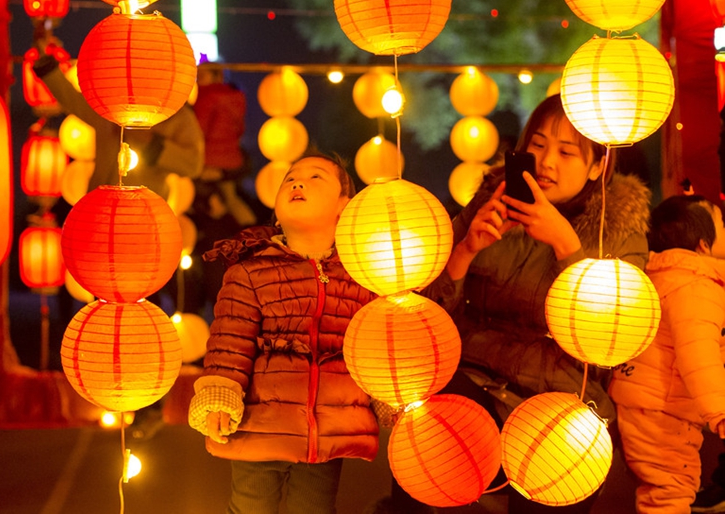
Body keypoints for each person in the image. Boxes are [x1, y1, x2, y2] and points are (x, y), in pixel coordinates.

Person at [423, 93, 651, 512]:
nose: (547, 163)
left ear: (597, 166)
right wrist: (466, 249)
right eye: (538, 145)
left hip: (560, 395)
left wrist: (567, 244)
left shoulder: (617, 231)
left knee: (556, 472)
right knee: (431, 439)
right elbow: (430, 317)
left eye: (566, 152)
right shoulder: (490, 203)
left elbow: (612, 344)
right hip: (475, 379)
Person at [187, 153, 379, 514]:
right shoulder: (250, 272)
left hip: (328, 433)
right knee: (251, 507)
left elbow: (374, 344)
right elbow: (230, 342)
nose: (297, 183)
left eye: (316, 177)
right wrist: (219, 396)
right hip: (260, 426)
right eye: (290, 178)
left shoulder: (363, 276)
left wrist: (389, 397)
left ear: (345, 206)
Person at [610, 195, 725, 514]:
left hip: (643, 399)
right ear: (703, 244)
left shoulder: (661, 275)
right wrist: (720, 412)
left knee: (662, 488)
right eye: (722, 223)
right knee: (670, 491)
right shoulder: (697, 286)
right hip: (662, 408)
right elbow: (698, 354)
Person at [31, 39, 205, 199]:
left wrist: (152, 144)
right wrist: (46, 66)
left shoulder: (177, 116)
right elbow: (74, 101)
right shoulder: (114, 106)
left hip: (145, 207)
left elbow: (193, 164)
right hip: (100, 200)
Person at [193, 63, 257, 227]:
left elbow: (198, 131)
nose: (197, 81)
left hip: (208, 161)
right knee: (231, 198)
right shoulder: (235, 98)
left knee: (200, 198)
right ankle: (254, 231)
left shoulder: (206, 97)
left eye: (201, 77)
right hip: (231, 160)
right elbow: (239, 129)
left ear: (216, 77)